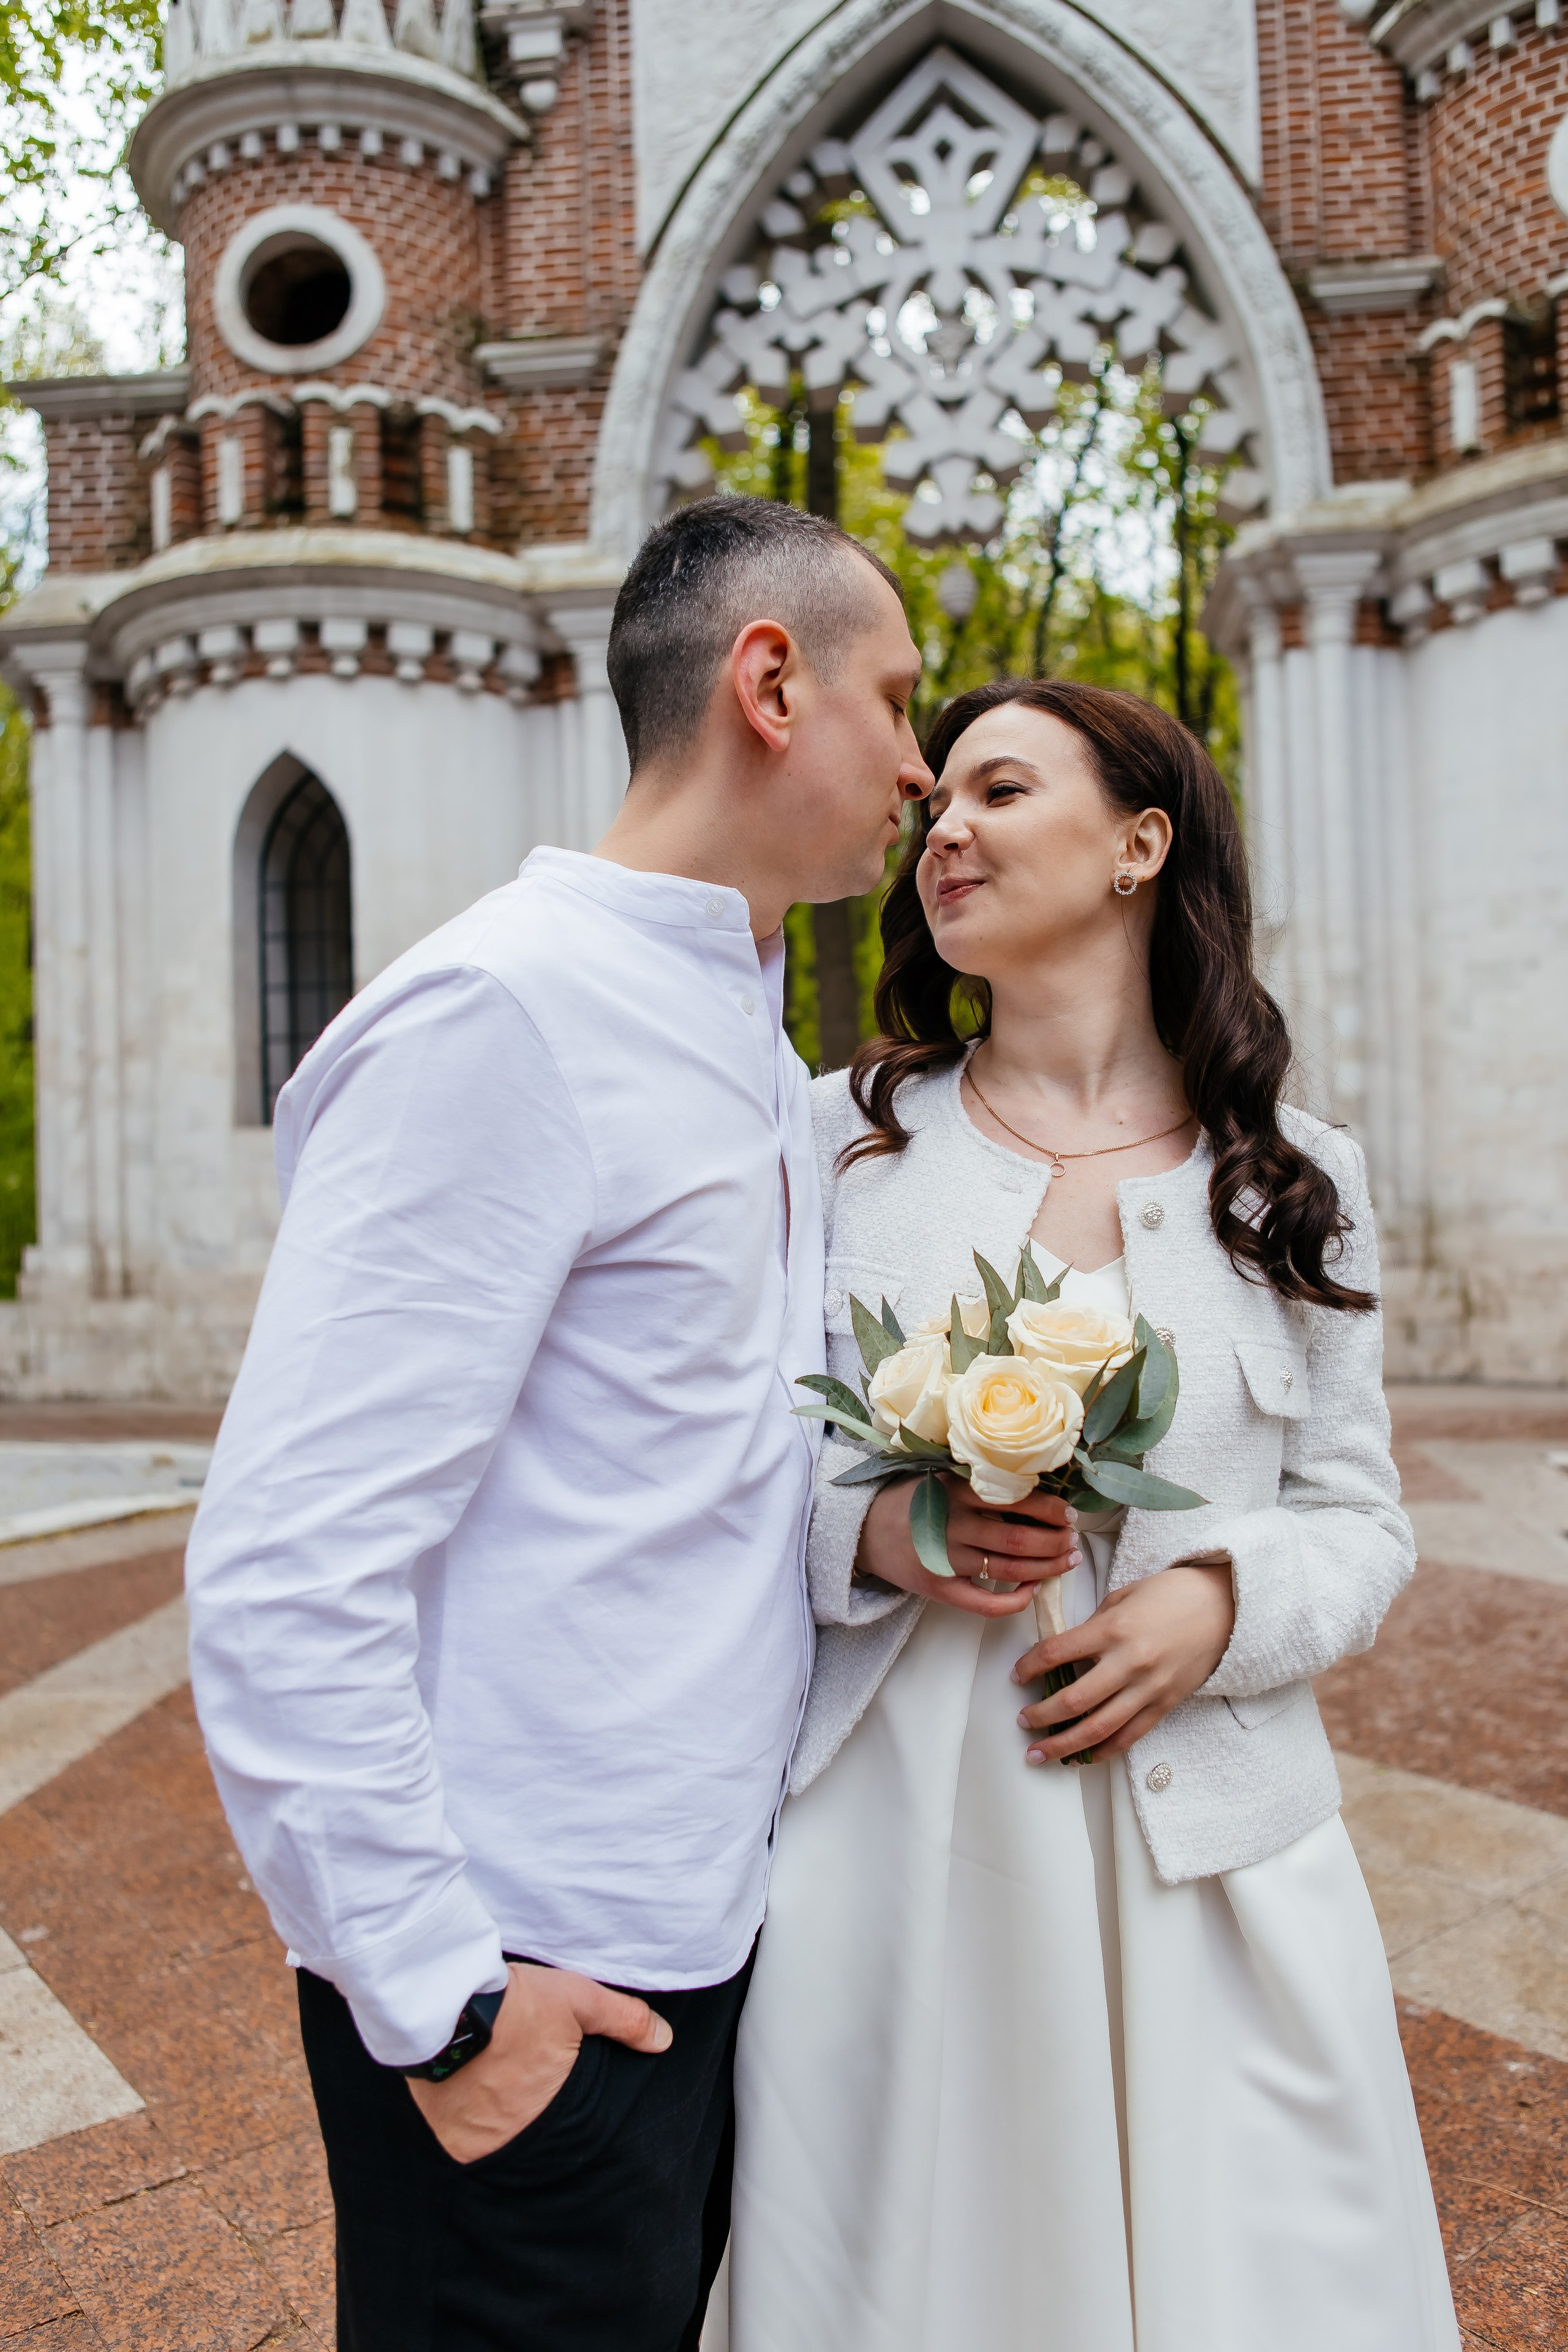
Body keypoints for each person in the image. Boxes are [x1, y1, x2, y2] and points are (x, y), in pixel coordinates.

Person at [186, 497, 1041, 2352]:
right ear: (769, 685)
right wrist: (447, 2007)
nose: (922, 765)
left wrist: (890, 1530)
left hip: (689, 1949)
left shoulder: (735, 1031)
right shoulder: (505, 1014)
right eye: (899, 702)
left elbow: (705, 1456)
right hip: (521, 1974)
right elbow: (287, 1562)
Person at [722, 678, 1458, 2352]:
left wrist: (1223, 1601)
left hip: (1214, 1858)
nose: (946, 831)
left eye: (999, 792)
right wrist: (880, 1534)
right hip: (899, 1848)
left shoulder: (1294, 1177)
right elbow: (729, 1454)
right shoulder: (836, 1143)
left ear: (1141, 844)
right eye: (936, 808)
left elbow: (1361, 1517)